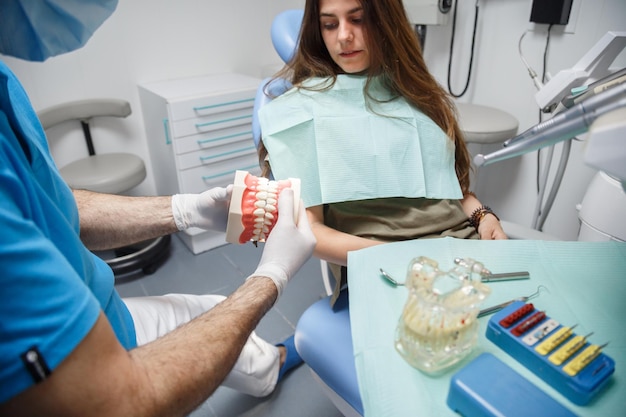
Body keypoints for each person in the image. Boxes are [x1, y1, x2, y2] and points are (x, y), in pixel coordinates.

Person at [0, 3, 316, 416]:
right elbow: (117, 401)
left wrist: (186, 210)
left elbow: (50, 209)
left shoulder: (6, 80)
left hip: (101, 307)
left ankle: (269, 366)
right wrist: (270, 277)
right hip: (88, 373)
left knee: (205, 312)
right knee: (223, 316)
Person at [257, 0, 507, 305]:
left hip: (464, 248)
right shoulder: (301, 112)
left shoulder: (418, 95)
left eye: (358, 19)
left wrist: (483, 217)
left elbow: (451, 189)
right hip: (386, 268)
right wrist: (402, 258)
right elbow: (312, 233)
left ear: (386, 22)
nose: (344, 36)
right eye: (330, 24)